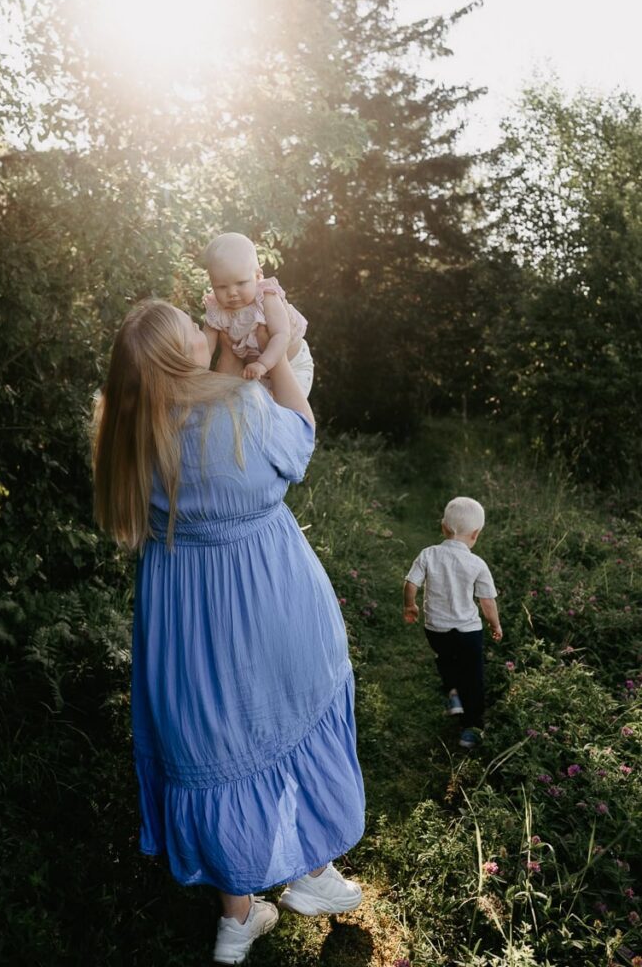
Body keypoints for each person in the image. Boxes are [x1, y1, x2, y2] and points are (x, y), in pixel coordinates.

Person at [91, 299, 364, 964]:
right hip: (263, 591)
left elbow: (195, 415)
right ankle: (310, 873)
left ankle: (236, 920)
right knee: (285, 715)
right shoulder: (239, 408)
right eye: (191, 326)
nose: (200, 324)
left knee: (215, 740)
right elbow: (298, 441)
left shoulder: (131, 427)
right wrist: (278, 360)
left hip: (182, 610)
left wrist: (218, 355)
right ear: (178, 355)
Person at [402, 496, 502, 750]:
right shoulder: (477, 564)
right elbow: (487, 602)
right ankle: (471, 728)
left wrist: (410, 605)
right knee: (473, 674)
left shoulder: (428, 554)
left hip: (436, 629)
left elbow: (411, 583)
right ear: (476, 534)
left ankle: (453, 693)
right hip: (468, 631)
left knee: (445, 659)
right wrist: (495, 625)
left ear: (444, 527)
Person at [202, 231, 314, 396]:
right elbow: (205, 347)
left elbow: (282, 335)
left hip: (293, 365)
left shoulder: (266, 297)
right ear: (212, 283)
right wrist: (195, 373)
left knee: (284, 408)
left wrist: (263, 364)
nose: (232, 292)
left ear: (258, 276)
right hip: (253, 372)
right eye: (222, 287)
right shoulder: (216, 308)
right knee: (250, 406)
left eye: (241, 283)